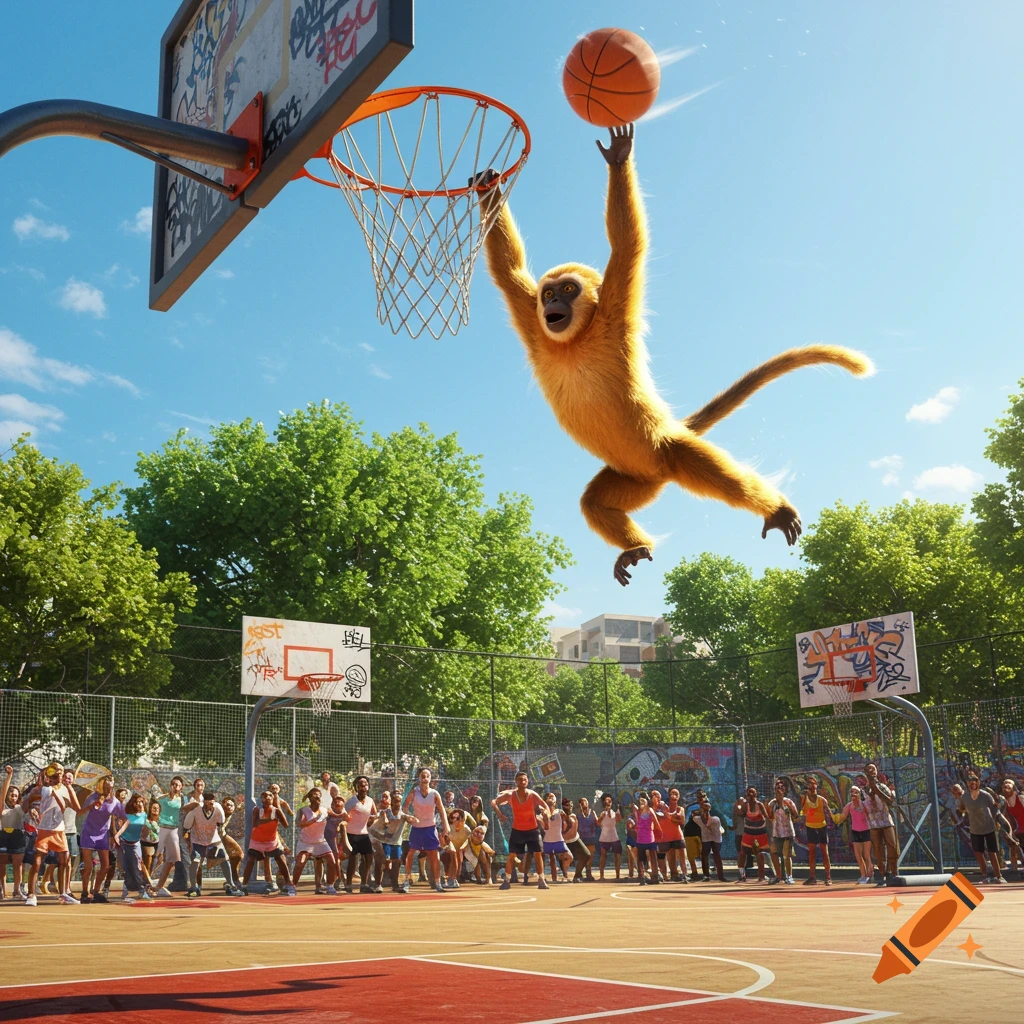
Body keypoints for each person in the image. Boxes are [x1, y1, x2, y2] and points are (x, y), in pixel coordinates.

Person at [24, 763, 80, 906]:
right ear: (50, 776)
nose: (58, 776)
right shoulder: (43, 790)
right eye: (55, 774)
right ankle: (31, 894)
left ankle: (63, 894)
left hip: (60, 830)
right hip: (44, 829)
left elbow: (77, 808)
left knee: (64, 861)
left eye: (60, 773)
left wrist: (69, 788)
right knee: (37, 863)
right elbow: (25, 805)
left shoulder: (67, 790)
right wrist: (31, 807)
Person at [492, 771, 549, 890]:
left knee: (538, 854)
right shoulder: (510, 795)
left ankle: (541, 879)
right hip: (517, 830)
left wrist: (546, 814)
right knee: (512, 855)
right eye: (520, 779)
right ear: (516, 782)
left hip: (533, 830)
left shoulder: (532, 794)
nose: (523, 781)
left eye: (525, 779)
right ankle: (507, 880)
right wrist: (499, 813)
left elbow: (545, 805)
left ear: (527, 781)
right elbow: (494, 802)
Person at [958, 771, 1017, 884]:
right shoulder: (965, 797)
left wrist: (1008, 829)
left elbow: (996, 811)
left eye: (974, 782)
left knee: (992, 852)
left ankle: (999, 876)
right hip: (975, 829)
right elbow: (961, 808)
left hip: (989, 827)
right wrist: (960, 814)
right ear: (967, 784)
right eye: (970, 782)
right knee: (978, 852)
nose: (972, 784)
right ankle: (985, 876)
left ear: (978, 783)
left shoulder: (985, 796)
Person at [403, 768, 450, 893]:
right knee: (411, 853)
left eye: (427, 776)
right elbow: (405, 807)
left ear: (430, 778)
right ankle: (407, 881)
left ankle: (438, 883)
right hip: (417, 828)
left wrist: (446, 826)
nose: (425, 778)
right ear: (419, 778)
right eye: (422, 776)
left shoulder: (434, 794)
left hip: (430, 828)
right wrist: (408, 817)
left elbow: (442, 810)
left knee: (434, 855)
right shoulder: (414, 792)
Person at [78, 776, 124, 904]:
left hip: (102, 836)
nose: (109, 783)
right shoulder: (93, 796)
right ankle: (84, 893)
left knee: (105, 866)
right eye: (106, 781)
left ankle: (96, 892)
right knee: (88, 867)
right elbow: (80, 812)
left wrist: (116, 835)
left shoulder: (114, 801)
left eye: (111, 781)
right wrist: (91, 805)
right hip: (88, 834)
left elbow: (123, 819)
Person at [290, 787, 337, 896]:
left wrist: (344, 815)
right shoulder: (303, 810)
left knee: (331, 861)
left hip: (320, 842)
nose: (317, 796)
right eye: (315, 795)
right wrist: (314, 819)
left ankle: (330, 886)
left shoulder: (325, 810)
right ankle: (292, 886)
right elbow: (300, 824)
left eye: (319, 795)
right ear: (310, 798)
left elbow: (337, 815)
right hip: (305, 842)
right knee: (300, 863)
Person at [41, 768, 80, 898]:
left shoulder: (72, 791)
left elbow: (78, 808)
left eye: (70, 778)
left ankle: (66, 888)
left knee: (69, 860)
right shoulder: (56, 789)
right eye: (65, 777)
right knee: (55, 861)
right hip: (58, 829)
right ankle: (47, 881)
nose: (67, 780)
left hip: (72, 829)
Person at [243, 790, 291, 894]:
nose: (267, 798)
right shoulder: (257, 810)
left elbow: (286, 824)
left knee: (281, 859)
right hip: (257, 841)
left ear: (273, 799)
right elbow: (255, 823)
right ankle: (244, 886)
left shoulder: (276, 811)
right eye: (265, 796)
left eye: (270, 796)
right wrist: (270, 819)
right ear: (261, 799)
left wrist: (279, 808)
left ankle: (289, 884)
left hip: (271, 841)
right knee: (251, 860)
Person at [862, 763, 898, 885]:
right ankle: (883, 874)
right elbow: (864, 805)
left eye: (873, 768)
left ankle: (892, 871)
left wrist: (878, 791)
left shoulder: (883, 787)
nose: (871, 771)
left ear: (877, 771)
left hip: (886, 820)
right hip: (873, 823)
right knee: (878, 849)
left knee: (892, 846)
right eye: (868, 769)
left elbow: (890, 801)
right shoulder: (864, 790)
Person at [342, 776, 378, 894]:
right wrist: (342, 835)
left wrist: (372, 821)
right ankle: (348, 884)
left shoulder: (370, 801)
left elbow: (374, 815)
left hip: (363, 833)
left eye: (365, 784)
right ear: (356, 787)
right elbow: (343, 817)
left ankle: (364, 884)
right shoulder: (351, 801)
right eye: (360, 785)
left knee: (368, 857)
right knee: (353, 860)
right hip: (351, 834)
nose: (363, 787)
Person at [833, 785, 874, 884]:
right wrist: (832, 815)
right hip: (855, 831)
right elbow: (842, 817)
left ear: (859, 794)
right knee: (858, 855)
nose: (853, 794)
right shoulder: (849, 806)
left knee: (866, 855)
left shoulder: (864, 805)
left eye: (855, 792)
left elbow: (871, 816)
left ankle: (870, 875)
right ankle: (863, 875)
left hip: (866, 831)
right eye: (851, 792)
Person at [114, 793, 150, 902]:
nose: (139, 804)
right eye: (137, 802)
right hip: (125, 843)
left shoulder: (144, 815)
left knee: (137, 868)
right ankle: (126, 890)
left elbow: (145, 831)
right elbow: (124, 827)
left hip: (136, 844)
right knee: (127, 867)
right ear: (133, 803)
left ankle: (141, 891)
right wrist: (116, 836)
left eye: (141, 801)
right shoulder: (129, 816)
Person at [153, 776, 185, 897]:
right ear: (170, 786)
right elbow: (153, 809)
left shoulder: (183, 799)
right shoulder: (162, 798)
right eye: (174, 784)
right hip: (161, 828)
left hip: (174, 830)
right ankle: (144, 881)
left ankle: (159, 886)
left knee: (172, 860)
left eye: (178, 785)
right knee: (156, 857)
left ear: (181, 787)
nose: (176, 787)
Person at [798, 776, 833, 886]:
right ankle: (812, 877)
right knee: (811, 852)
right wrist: (802, 820)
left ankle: (828, 877)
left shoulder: (822, 800)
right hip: (810, 827)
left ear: (816, 786)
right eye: (809, 785)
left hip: (821, 827)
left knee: (824, 852)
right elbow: (802, 812)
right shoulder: (804, 799)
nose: (811, 787)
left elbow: (828, 814)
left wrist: (831, 823)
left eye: (813, 785)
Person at [0, 767, 26, 902]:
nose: (13, 797)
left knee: (18, 864)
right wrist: (10, 775)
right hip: (3, 835)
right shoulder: (2, 806)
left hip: (17, 836)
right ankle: (2, 891)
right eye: (11, 794)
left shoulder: (20, 808)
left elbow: (29, 810)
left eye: (16, 795)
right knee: (1, 864)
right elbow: (3, 791)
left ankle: (17, 891)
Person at [766, 779, 798, 886]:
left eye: (781, 787)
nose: (779, 789)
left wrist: (786, 806)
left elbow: (796, 815)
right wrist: (776, 804)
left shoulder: (789, 802)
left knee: (787, 855)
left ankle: (789, 876)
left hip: (788, 832)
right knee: (774, 854)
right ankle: (778, 875)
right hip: (776, 833)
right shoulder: (772, 803)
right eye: (777, 787)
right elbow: (770, 816)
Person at [734, 786, 768, 883]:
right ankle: (742, 875)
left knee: (759, 853)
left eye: (753, 792)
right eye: (749, 793)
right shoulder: (745, 805)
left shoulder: (759, 805)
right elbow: (741, 814)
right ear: (746, 795)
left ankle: (761, 876)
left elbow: (766, 817)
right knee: (742, 853)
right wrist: (737, 807)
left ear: (756, 794)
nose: (751, 795)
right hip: (748, 833)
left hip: (759, 833)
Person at [541, 793, 572, 883]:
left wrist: (564, 831)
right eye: (548, 797)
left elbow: (569, 822)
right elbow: (543, 826)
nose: (550, 798)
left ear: (555, 800)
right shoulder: (543, 811)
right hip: (547, 839)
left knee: (569, 856)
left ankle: (565, 875)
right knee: (551, 858)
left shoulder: (559, 811)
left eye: (552, 797)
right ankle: (551, 878)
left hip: (559, 838)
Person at [657, 788, 686, 883]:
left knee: (682, 855)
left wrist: (671, 818)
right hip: (667, 837)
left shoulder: (680, 808)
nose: (674, 795)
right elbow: (663, 816)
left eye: (676, 793)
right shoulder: (664, 807)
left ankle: (685, 874)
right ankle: (672, 875)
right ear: (669, 795)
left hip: (678, 836)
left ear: (679, 796)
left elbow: (682, 821)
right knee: (671, 857)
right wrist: (671, 817)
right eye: (672, 793)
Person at [633, 792, 662, 885]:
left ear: (647, 801)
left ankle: (655, 876)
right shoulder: (638, 812)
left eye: (643, 800)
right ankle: (642, 877)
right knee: (641, 858)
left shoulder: (650, 811)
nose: (641, 802)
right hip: (640, 838)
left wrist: (659, 834)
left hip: (650, 838)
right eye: (640, 800)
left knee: (653, 857)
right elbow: (637, 823)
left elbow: (656, 824)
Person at [561, 797, 592, 882]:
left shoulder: (573, 816)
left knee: (586, 855)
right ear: (563, 806)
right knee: (565, 858)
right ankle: (565, 876)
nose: (569, 807)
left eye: (571, 805)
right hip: (563, 841)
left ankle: (577, 876)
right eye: (567, 805)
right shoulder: (559, 816)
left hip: (575, 840)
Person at [595, 793, 622, 881]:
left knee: (617, 856)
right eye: (606, 801)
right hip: (604, 837)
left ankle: (618, 876)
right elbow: (598, 823)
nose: (608, 802)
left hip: (614, 837)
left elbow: (618, 820)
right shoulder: (602, 813)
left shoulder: (615, 813)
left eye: (610, 801)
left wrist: (618, 813)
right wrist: (602, 817)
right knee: (603, 855)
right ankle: (601, 876)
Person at [1001, 778, 1024, 878]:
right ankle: (1017, 869)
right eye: (1004, 784)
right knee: (1017, 848)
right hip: (1018, 831)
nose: (1006, 785)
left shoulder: (1021, 797)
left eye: (1008, 783)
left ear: (1013, 786)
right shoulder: (1005, 802)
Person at [697, 800, 726, 881]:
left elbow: (708, 823)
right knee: (705, 854)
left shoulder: (716, 818)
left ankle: (721, 876)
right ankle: (706, 876)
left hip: (716, 837)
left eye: (707, 808)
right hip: (706, 838)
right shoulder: (697, 818)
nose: (705, 810)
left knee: (716, 854)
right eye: (703, 808)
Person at [219, 796, 245, 884]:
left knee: (238, 855)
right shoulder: (218, 813)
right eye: (226, 805)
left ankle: (234, 878)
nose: (228, 807)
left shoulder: (233, 813)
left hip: (222, 835)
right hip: (213, 838)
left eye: (231, 805)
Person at [447, 808, 474, 888]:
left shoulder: (466, 829)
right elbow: (445, 839)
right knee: (453, 856)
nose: (455, 820)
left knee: (458, 859)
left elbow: (468, 841)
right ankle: (448, 879)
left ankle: (454, 879)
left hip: (460, 848)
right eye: (453, 818)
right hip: (448, 848)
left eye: (457, 818)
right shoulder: (448, 827)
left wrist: (462, 848)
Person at [576, 796, 598, 881]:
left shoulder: (592, 812)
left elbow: (597, 822)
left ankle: (589, 873)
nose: (583, 803)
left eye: (585, 801)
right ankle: (579, 873)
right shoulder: (577, 813)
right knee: (581, 856)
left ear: (588, 803)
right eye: (581, 802)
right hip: (580, 838)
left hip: (590, 837)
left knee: (590, 856)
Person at [682, 801, 704, 882]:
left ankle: (705, 872)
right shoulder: (692, 808)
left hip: (699, 834)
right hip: (689, 834)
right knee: (691, 856)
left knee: (703, 854)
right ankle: (694, 873)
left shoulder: (707, 810)